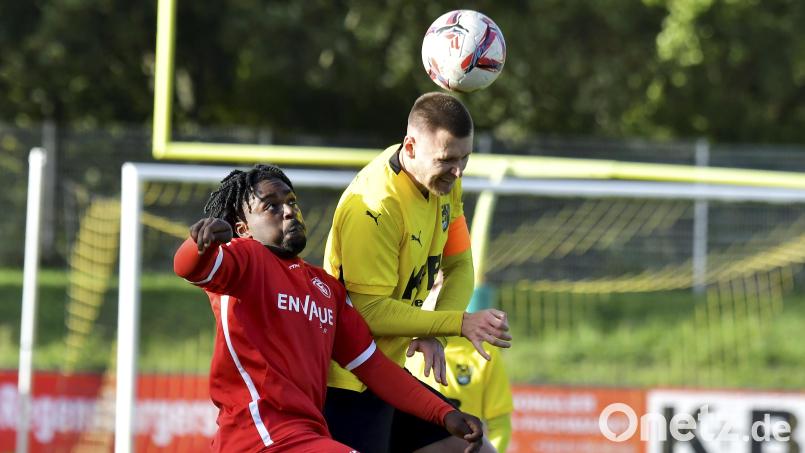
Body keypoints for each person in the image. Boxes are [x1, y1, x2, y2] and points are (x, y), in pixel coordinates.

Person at [173, 164, 485, 453]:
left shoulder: (325, 288)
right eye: (271, 205)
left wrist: (443, 414)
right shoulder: (245, 259)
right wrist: (201, 243)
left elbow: (374, 367)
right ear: (243, 229)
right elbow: (190, 268)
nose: (289, 211)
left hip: (307, 436)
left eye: (292, 202)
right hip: (257, 438)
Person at [323, 92, 512, 453]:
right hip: (347, 380)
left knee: (473, 447)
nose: (458, 172)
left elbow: (459, 264)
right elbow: (368, 312)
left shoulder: (443, 184)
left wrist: (434, 334)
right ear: (410, 147)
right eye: (447, 160)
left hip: (389, 373)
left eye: (465, 159)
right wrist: (457, 322)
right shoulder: (376, 208)